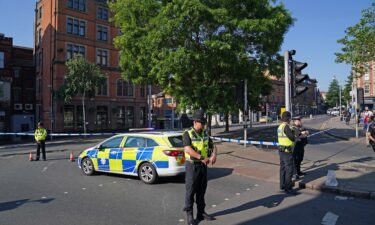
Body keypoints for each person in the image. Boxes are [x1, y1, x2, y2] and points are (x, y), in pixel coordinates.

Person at [183, 109, 217, 225]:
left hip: (203, 167)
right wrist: (201, 158)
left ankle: (201, 212)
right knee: (191, 191)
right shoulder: (187, 133)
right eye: (201, 123)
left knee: (201, 191)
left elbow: (213, 146)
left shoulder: (205, 133)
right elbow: (188, 149)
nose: (203, 125)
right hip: (192, 166)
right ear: (195, 122)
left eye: (204, 123)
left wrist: (214, 155)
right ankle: (189, 215)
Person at [277, 111, 297, 195]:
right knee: (289, 170)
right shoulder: (286, 127)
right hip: (287, 152)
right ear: (288, 118)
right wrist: (296, 135)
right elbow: (292, 138)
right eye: (290, 118)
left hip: (281, 150)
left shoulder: (280, 127)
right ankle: (288, 188)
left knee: (282, 168)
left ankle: (282, 185)